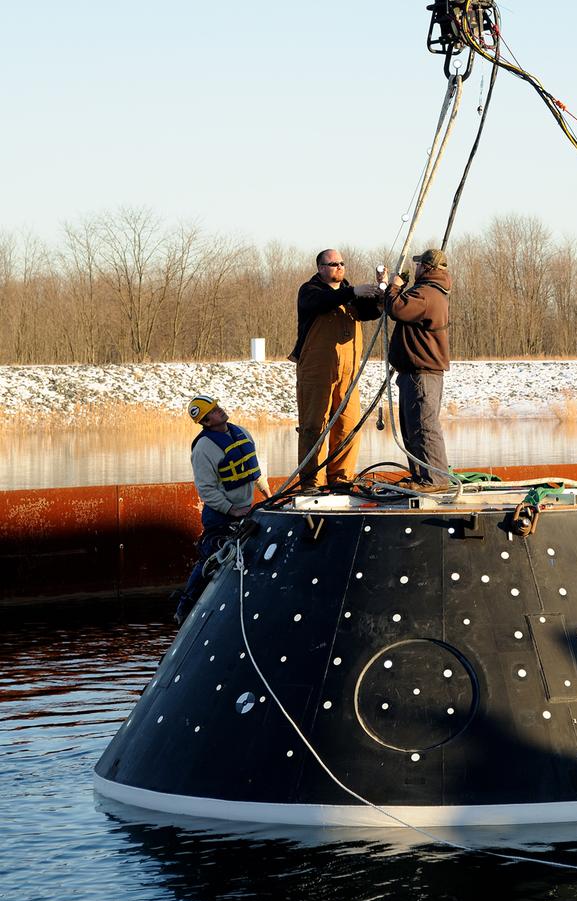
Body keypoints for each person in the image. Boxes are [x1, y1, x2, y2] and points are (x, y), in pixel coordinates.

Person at [174, 395, 271, 625]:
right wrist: (232, 510)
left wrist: (269, 495)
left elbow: (254, 471)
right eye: (214, 411)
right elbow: (206, 490)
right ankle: (186, 606)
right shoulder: (203, 448)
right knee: (212, 557)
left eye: (218, 407)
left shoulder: (242, 433)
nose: (220, 411)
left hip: (246, 510)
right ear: (206, 422)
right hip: (220, 516)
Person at [290, 250, 382, 489]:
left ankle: (341, 479)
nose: (339, 267)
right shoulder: (310, 291)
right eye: (333, 264)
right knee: (314, 426)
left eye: (342, 263)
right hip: (316, 370)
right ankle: (312, 482)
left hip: (348, 373)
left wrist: (382, 291)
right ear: (321, 268)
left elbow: (370, 312)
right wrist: (352, 292)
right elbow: (322, 302)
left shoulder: (351, 294)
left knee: (348, 424)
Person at [385, 247, 453, 492]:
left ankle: (435, 479)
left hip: (422, 374)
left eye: (417, 265)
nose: (414, 268)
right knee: (414, 427)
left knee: (424, 427)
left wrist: (394, 286)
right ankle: (422, 477)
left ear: (426, 268)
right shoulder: (431, 292)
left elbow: (397, 308)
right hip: (416, 373)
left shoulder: (426, 294)